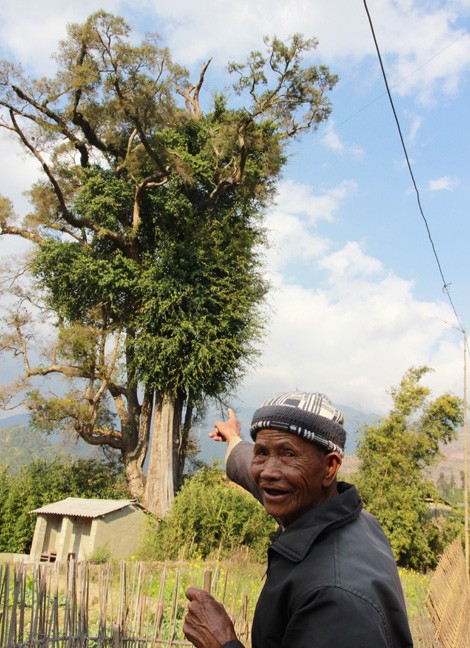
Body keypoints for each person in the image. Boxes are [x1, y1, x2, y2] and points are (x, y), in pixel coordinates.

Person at [183, 392, 413, 648]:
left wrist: (222, 643)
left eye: (289, 454)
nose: (268, 472)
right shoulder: (336, 513)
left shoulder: (335, 599)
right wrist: (233, 440)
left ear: (329, 467)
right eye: (262, 452)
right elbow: (253, 466)